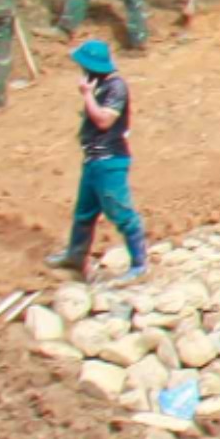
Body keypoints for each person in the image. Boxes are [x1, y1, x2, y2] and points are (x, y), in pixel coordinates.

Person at [55, 38, 147, 274]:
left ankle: (139, 263)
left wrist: (86, 95)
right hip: (93, 161)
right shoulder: (102, 86)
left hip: (109, 162)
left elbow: (104, 120)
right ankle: (75, 257)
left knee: (122, 213)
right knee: (84, 213)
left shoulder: (116, 87)